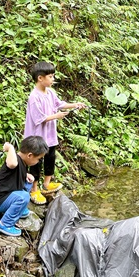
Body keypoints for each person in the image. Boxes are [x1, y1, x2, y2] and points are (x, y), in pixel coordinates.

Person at [24, 60, 86, 205]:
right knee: (35, 162)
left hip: (50, 135)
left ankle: (47, 184)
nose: (53, 79)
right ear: (41, 78)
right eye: (51, 77)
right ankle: (34, 189)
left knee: (50, 157)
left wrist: (75, 105)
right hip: (37, 136)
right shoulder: (34, 97)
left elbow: (59, 104)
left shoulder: (50, 92)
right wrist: (57, 116)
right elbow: (39, 118)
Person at [0, 136, 48, 236]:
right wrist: (10, 148)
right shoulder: (14, 160)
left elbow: (17, 173)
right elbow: (12, 164)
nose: (38, 162)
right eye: (39, 159)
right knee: (24, 197)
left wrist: (26, 175)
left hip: (7, 195)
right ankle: (4, 224)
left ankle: (19, 208)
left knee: (29, 181)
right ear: (30, 155)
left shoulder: (23, 162)